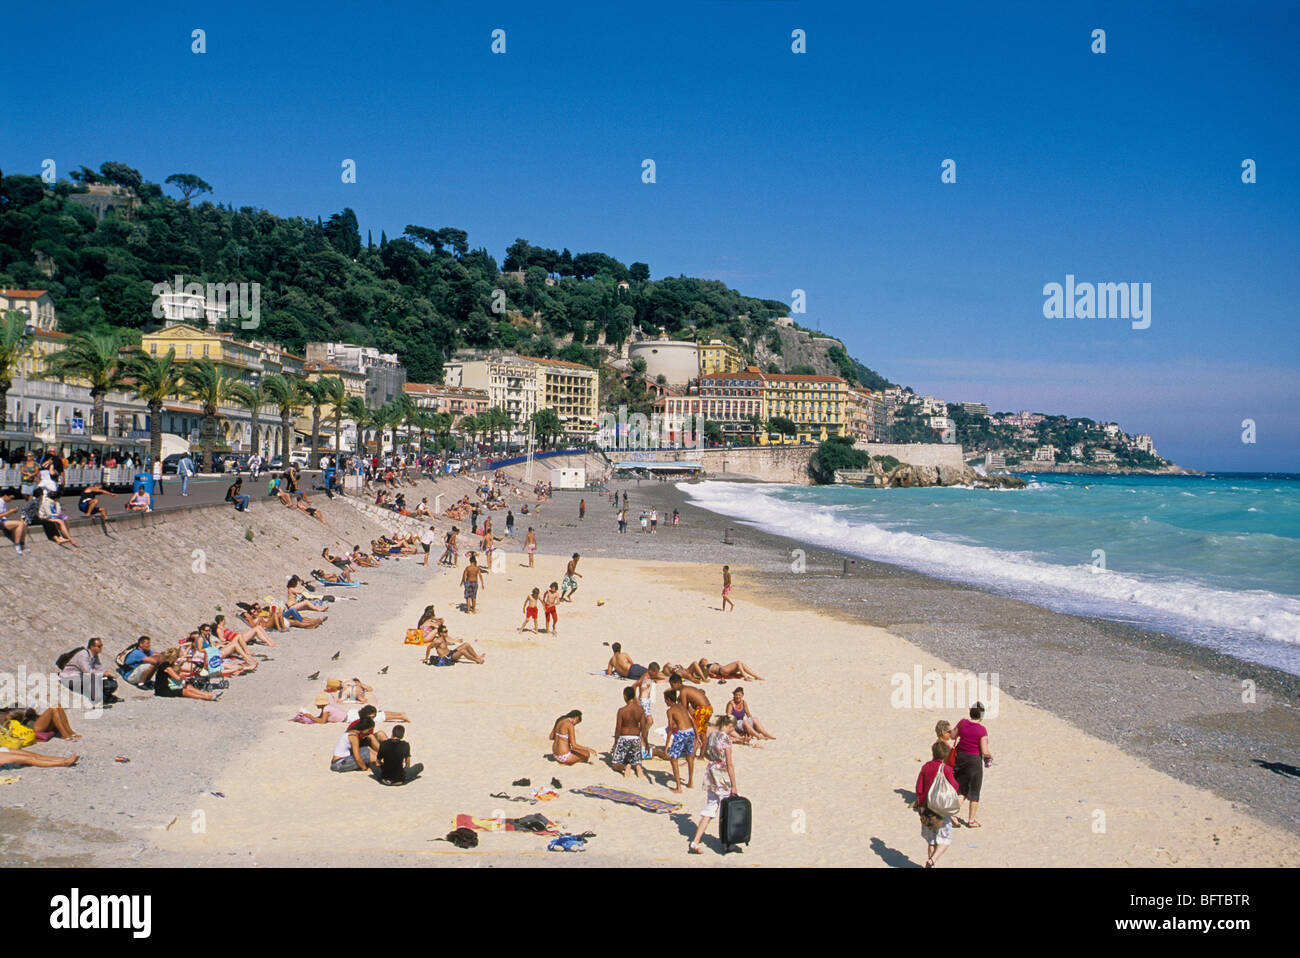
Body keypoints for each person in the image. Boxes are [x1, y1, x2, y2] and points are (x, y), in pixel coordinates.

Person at [689, 715, 739, 854]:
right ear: (730, 726)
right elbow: (729, 764)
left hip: (711, 774)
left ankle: (695, 841)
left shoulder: (712, 736)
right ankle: (727, 843)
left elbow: (706, 755)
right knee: (726, 811)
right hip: (722, 777)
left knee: (710, 808)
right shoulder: (726, 739)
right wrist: (734, 785)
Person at [915, 740, 961, 867]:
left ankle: (931, 864)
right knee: (945, 840)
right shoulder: (946, 769)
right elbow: (955, 786)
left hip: (925, 807)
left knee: (931, 841)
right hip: (940, 808)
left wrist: (920, 806)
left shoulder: (925, 766)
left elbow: (919, 788)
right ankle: (932, 861)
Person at [952, 703, 992, 828]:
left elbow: (953, 735)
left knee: (962, 788)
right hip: (974, 761)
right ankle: (971, 820)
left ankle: (953, 814)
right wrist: (990, 757)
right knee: (974, 790)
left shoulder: (962, 723)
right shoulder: (982, 730)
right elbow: (984, 751)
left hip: (960, 757)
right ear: (982, 715)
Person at [651, 689, 696, 792]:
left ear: (668, 699)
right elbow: (692, 720)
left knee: (673, 759)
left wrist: (666, 746)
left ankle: (678, 787)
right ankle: (690, 782)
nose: (665, 702)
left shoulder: (670, 711)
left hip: (682, 733)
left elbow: (671, 727)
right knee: (690, 757)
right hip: (690, 731)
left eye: (665, 700)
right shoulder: (683, 707)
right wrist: (696, 735)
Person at [668, 674, 713, 759]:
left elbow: (684, 708)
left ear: (677, 683)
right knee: (703, 733)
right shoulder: (687, 688)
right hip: (708, 708)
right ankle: (701, 756)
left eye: (672, 685)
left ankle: (691, 757)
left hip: (702, 709)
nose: (672, 687)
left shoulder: (683, 691)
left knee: (696, 734)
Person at [153, 647, 220, 701]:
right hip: (162, 690)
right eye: (177, 657)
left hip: (168, 686)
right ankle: (206, 697)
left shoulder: (169, 664)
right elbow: (177, 678)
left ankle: (208, 695)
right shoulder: (166, 666)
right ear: (173, 657)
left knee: (188, 686)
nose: (177, 659)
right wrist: (183, 677)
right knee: (184, 691)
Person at [59, 638, 113, 704]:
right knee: (93, 678)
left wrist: (106, 673)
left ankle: (106, 697)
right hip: (69, 678)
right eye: (99, 646)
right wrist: (102, 674)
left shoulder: (94, 655)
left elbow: (98, 666)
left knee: (108, 681)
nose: (101, 648)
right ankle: (96, 702)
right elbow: (87, 671)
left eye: (101, 646)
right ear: (92, 647)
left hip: (80, 677)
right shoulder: (83, 654)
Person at [610, 686, 648, 779]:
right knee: (636, 758)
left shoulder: (622, 711)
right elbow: (643, 728)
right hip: (636, 738)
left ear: (625, 696)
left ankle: (626, 766)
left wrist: (615, 742)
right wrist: (646, 742)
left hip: (624, 738)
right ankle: (638, 766)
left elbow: (618, 729)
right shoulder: (640, 710)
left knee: (615, 764)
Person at [0, 704, 80, 742]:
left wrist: (29, 711)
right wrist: (17, 715)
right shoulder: (3, 715)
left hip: (36, 721)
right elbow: (8, 725)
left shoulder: (8, 708)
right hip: (33, 727)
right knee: (53, 709)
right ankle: (64, 735)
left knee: (57, 706)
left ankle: (70, 732)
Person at [422, 625, 486, 666]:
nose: (447, 632)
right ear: (440, 633)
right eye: (445, 631)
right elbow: (429, 647)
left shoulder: (445, 637)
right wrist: (426, 658)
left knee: (466, 644)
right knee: (463, 651)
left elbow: (451, 641)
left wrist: (457, 641)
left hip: (450, 653)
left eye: (447, 631)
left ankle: (477, 657)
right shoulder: (437, 641)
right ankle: (477, 661)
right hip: (446, 658)